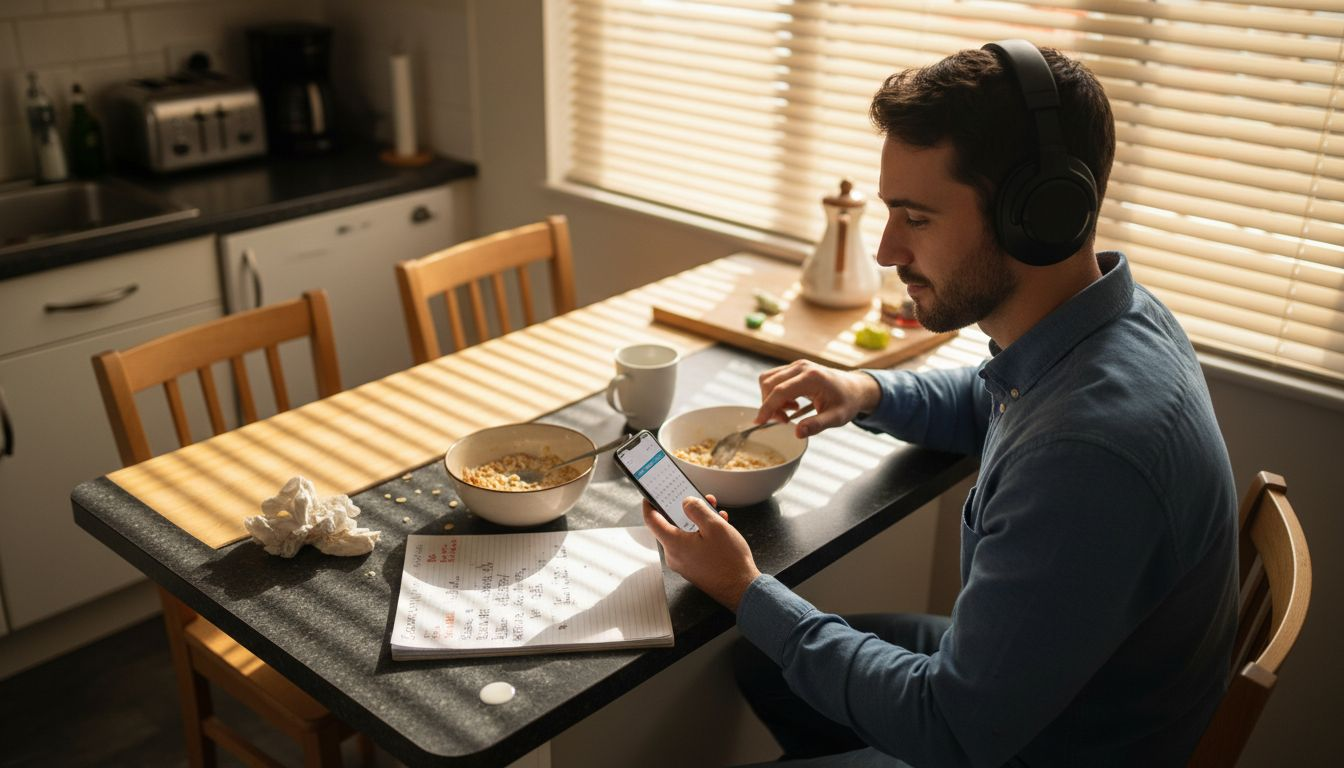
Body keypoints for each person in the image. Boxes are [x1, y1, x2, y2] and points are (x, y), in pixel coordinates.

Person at [641, 41, 1238, 768]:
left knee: (769, 638)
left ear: (1036, 216)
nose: (887, 251)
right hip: (1052, 687)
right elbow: (1001, 402)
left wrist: (743, 587)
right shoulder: (1116, 322)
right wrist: (866, 390)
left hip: (1036, 746)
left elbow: (948, 728)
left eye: (916, 218)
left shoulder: (1087, 458)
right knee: (764, 665)